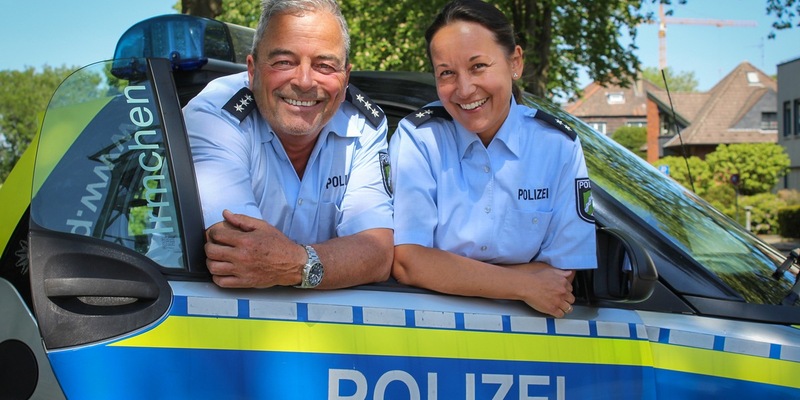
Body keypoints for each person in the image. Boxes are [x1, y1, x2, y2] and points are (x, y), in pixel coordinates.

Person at [389, 0, 597, 318]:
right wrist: (524, 284)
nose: (465, 88)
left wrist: (444, 269)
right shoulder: (419, 139)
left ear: (515, 62)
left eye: (478, 67)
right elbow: (408, 261)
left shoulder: (557, 146)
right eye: (446, 73)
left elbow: (560, 275)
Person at [184, 0, 393, 290]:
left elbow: (377, 254)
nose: (305, 82)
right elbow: (240, 251)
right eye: (284, 62)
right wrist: (334, 263)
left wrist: (297, 264)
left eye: (324, 65)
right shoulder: (213, 116)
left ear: (346, 79)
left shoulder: (365, 125)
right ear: (252, 70)